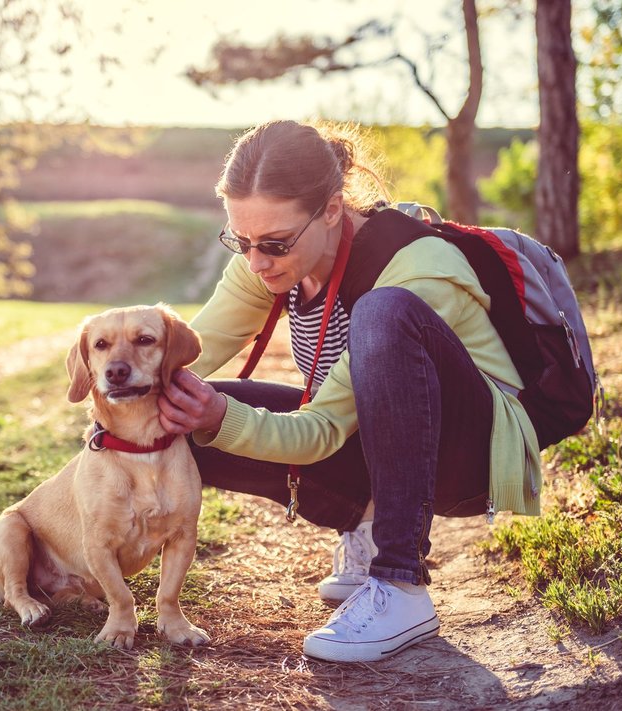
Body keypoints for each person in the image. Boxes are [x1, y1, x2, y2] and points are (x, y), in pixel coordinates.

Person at [157, 119, 542, 663]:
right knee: (172, 410)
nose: (256, 261)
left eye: (274, 242)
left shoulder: (416, 270)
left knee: (380, 314)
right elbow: (182, 355)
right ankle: (364, 521)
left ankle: (401, 583)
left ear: (333, 210)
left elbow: (319, 431)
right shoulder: (268, 263)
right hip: (374, 439)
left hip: (469, 457)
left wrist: (223, 417)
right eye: (240, 241)